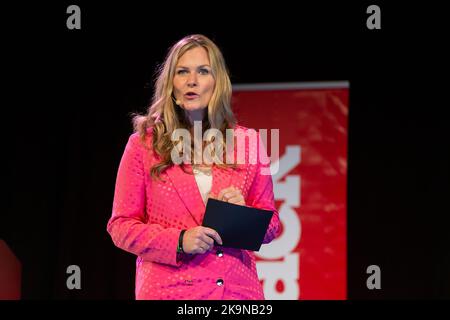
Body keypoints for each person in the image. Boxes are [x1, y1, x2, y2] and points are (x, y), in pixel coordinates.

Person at [107, 34, 280, 300]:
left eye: (203, 71)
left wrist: (243, 214)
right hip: (169, 292)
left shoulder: (249, 142)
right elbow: (120, 226)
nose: (192, 81)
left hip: (237, 294)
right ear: (171, 85)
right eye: (182, 72)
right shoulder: (143, 145)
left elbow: (272, 227)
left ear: (217, 82)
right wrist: (178, 241)